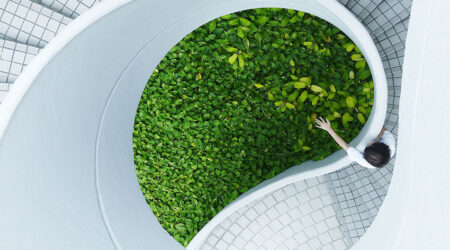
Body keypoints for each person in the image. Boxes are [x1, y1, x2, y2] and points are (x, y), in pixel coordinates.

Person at [315, 117, 396, 169]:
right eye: (372, 144)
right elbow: (383, 129)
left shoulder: (362, 160)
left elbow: (345, 145)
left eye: (367, 148)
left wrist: (329, 129)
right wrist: (378, 136)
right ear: (381, 143)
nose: (368, 144)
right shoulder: (389, 143)